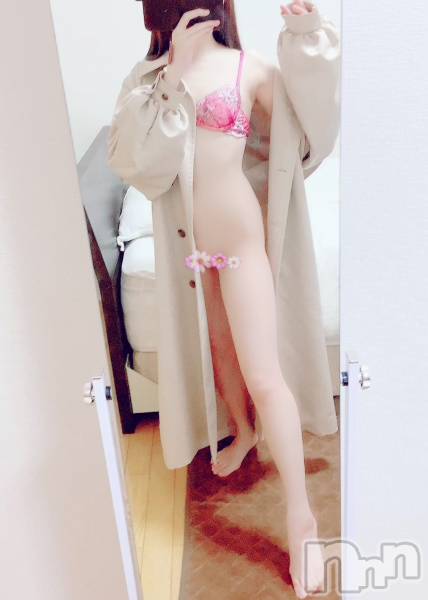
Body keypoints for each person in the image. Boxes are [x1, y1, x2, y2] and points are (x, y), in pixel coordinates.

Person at [108, 1, 340, 597]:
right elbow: (136, 165)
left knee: (264, 374)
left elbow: (305, 136)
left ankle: (302, 520)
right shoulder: (148, 81)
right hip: (189, 247)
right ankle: (243, 431)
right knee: (219, 349)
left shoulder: (249, 69)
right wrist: (172, 73)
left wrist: (306, 40)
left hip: (237, 240)